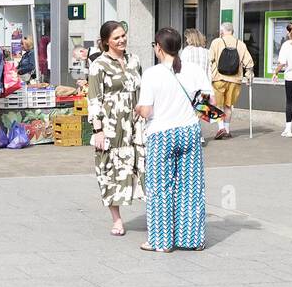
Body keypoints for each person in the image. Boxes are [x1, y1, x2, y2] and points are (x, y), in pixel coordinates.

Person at [135, 27, 208, 253]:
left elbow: (146, 111)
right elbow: (207, 101)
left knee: (160, 188)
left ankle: (161, 241)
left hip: (161, 133)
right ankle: (192, 239)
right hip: (189, 131)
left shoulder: (152, 74)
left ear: (158, 47)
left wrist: (137, 108)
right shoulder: (195, 70)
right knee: (191, 187)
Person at [87, 19, 144, 237]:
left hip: (135, 122)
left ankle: (154, 213)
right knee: (110, 168)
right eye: (116, 38)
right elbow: (94, 98)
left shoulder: (134, 60)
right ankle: (117, 219)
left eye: (123, 35)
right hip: (111, 124)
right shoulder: (99, 65)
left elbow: (142, 90)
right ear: (106, 42)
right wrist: (98, 129)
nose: (122, 40)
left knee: (141, 165)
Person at [208, 21, 254, 139]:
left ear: (222, 31)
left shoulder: (216, 42)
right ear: (232, 31)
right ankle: (227, 130)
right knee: (228, 106)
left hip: (218, 78)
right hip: (235, 79)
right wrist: (249, 76)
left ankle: (220, 128)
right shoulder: (240, 44)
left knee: (217, 105)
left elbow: (210, 59)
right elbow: (249, 63)